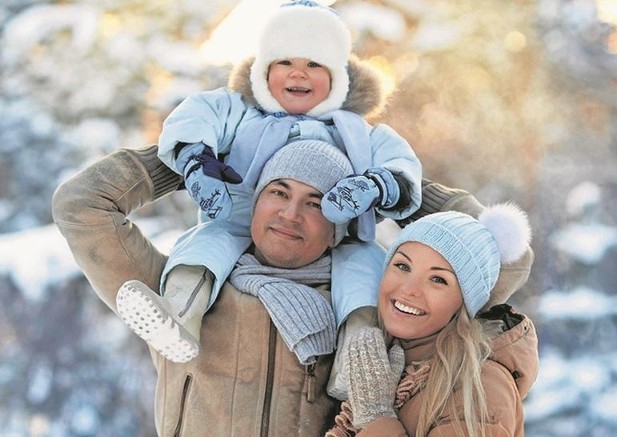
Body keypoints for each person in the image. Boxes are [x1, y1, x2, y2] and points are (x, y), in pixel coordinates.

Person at [52, 140, 534, 435]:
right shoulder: (181, 290)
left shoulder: (375, 311)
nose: (289, 213)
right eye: (277, 192)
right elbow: (81, 204)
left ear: (340, 223)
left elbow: (504, 258)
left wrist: (392, 186)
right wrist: (198, 155)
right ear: (254, 202)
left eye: (317, 202)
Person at [114, 0, 423, 367]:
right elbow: (195, 115)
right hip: (233, 218)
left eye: (314, 64)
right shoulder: (239, 109)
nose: (299, 74)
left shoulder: (356, 130)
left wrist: (378, 184)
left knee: (366, 268)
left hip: (336, 235)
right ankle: (180, 314)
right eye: (285, 62)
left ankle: (359, 357)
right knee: (202, 247)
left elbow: (401, 162)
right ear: (264, 69)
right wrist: (195, 157)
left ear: (337, 76)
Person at [326, 204, 539, 437]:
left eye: (438, 279)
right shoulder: (380, 358)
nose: (409, 289)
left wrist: (375, 418)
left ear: (464, 303)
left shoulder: (481, 387)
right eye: (402, 266)